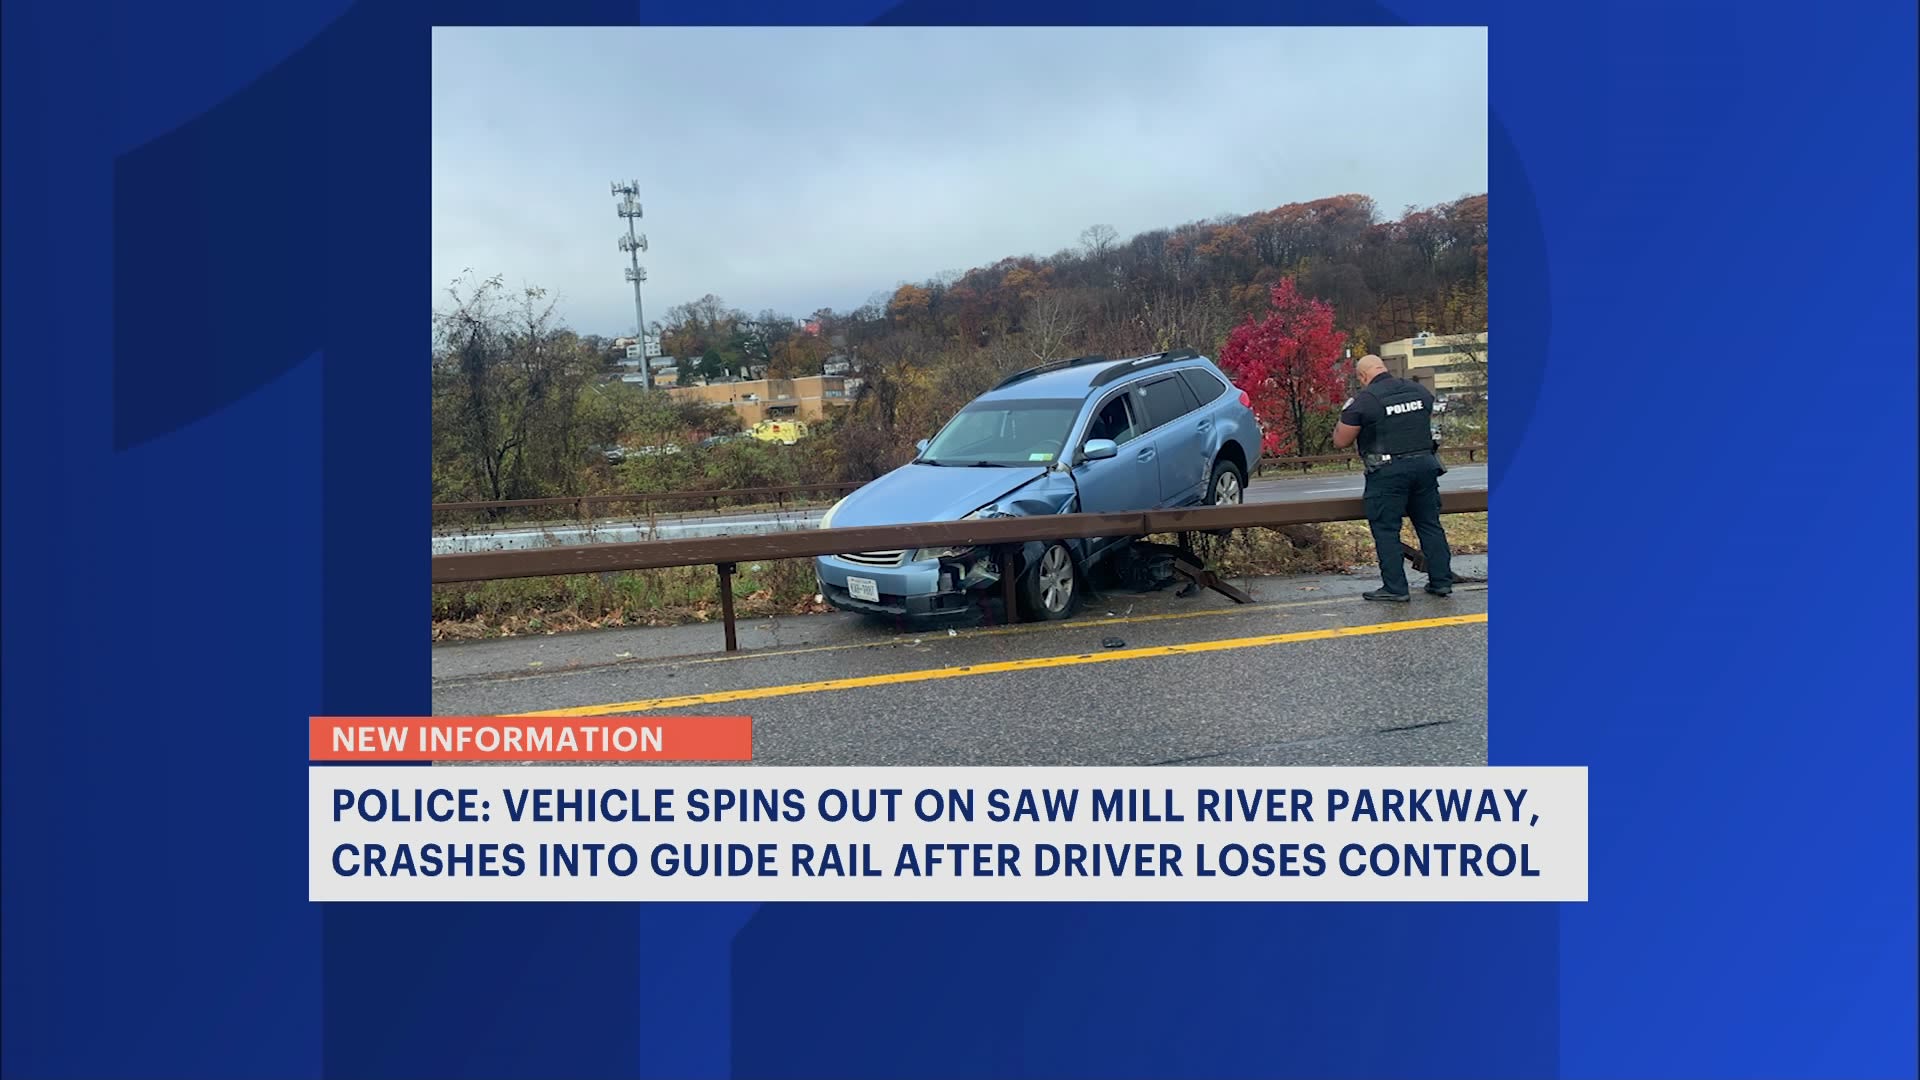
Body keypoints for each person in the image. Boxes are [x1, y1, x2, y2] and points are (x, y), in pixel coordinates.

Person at [1331, 354, 1454, 602]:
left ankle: (1395, 588)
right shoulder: (1418, 390)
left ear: (1362, 376)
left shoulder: (1364, 400)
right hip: (1425, 466)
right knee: (1429, 524)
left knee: (1386, 529)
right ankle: (1441, 581)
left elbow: (1341, 441)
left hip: (1388, 472)